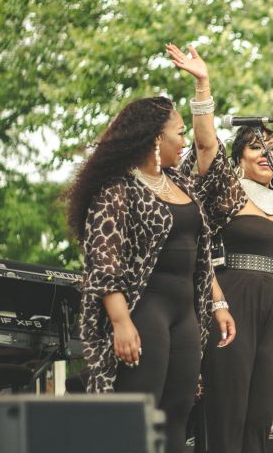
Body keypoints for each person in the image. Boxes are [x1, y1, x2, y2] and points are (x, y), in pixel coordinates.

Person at [66, 44, 235, 453]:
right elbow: (102, 264)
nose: (183, 141)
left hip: (184, 314)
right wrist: (121, 322)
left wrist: (203, 84)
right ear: (155, 139)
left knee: (177, 413)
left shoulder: (183, 183)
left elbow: (208, 149)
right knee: (142, 413)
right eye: (177, 133)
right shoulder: (118, 189)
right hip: (145, 310)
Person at [197, 124, 273, 453]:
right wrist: (203, 88)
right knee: (228, 408)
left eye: (272, 148)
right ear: (240, 157)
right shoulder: (228, 190)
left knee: (258, 414)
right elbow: (207, 145)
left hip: (269, 315)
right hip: (231, 305)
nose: (267, 154)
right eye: (256, 147)